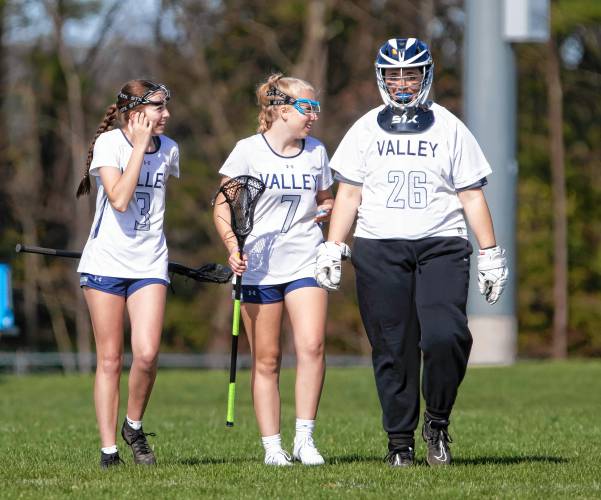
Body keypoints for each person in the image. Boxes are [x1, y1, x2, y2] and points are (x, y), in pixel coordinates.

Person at [315, 38, 508, 467]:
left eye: (411, 73)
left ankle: (437, 423)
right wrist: (332, 246)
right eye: (394, 74)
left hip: (442, 242)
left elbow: (472, 196)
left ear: (427, 74)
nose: (403, 82)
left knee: (445, 336)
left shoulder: (449, 126)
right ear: (382, 78)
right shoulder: (365, 128)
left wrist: (491, 252)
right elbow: (348, 195)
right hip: (379, 245)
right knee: (392, 346)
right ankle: (399, 442)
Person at [213, 73, 334, 466]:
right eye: (306, 107)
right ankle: (272, 447)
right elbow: (222, 207)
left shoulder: (316, 151)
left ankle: (305, 440)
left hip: (305, 259)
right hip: (260, 268)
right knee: (267, 359)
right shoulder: (248, 151)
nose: (313, 115)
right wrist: (233, 248)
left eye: (316, 107)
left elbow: (325, 197)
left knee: (312, 345)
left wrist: (329, 210)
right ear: (281, 109)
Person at [76, 80, 179, 468]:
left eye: (166, 106)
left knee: (148, 354)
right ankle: (109, 451)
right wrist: (138, 146)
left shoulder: (169, 150)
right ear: (134, 112)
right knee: (110, 358)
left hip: (150, 263)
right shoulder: (110, 145)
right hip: (105, 263)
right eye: (158, 107)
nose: (166, 114)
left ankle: (133, 426)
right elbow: (118, 200)